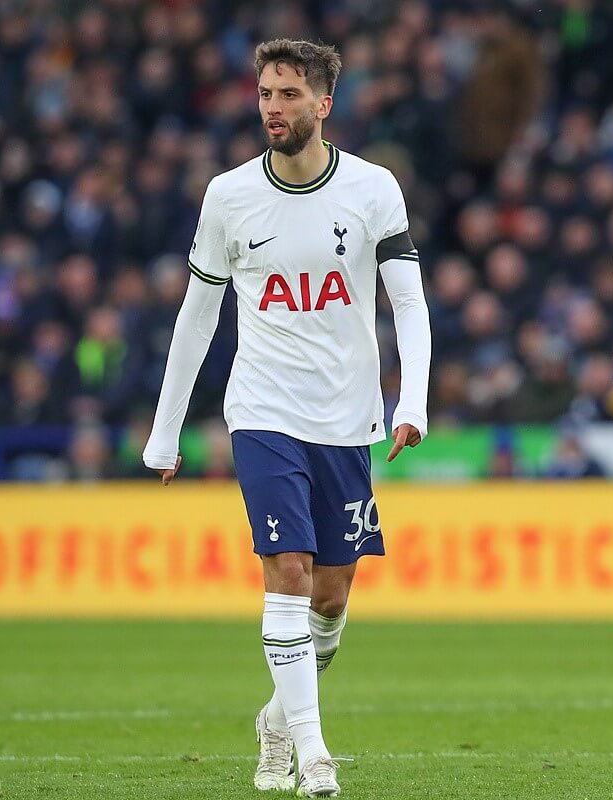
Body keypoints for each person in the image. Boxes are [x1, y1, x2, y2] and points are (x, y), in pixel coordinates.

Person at [142, 39, 431, 798]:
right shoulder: (228, 196)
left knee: (331, 598)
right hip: (264, 411)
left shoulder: (373, 190)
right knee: (289, 576)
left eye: (289, 94)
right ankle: (315, 759)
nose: (273, 106)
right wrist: (165, 430)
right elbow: (196, 319)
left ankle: (277, 718)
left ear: (324, 104)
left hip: (347, 418)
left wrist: (415, 401)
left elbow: (409, 303)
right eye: (266, 93)